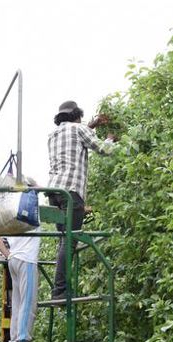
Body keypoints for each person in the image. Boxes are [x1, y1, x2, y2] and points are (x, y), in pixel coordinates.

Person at [46, 100, 114, 300]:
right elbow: (104, 149)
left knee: (63, 241)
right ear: (77, 115)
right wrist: (109, 138)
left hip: (54, 193)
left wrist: (93, 124)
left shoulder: (53, 135)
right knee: (70, 240)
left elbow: (75, 137)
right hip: (72, 192)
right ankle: (59, 292)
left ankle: (60, 289)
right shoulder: (79, 129)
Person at [0, 234, 40, 342]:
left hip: (13, 260)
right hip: (27, 258)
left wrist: (8, 255)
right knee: (28, 303)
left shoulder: (9, 215)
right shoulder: (33, 213)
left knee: (18, 305)